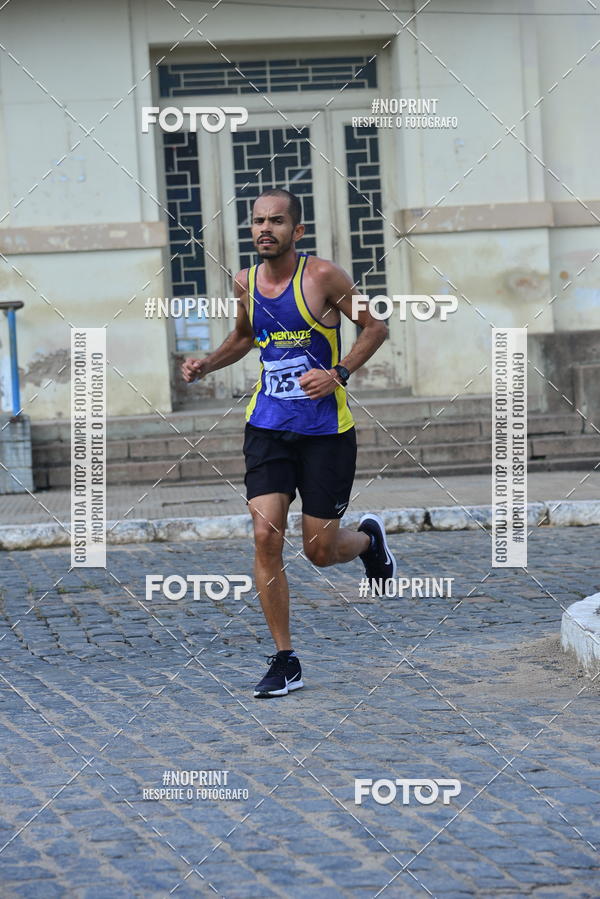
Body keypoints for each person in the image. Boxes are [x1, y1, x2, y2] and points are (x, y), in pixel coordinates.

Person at [182, 187, 396, 698]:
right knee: (264, 536)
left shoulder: (324, 278)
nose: (265, 229)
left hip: (325, 434)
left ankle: (368, 540)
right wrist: (206, 363)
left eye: (276, 221)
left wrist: (339, 372)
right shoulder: (245, 282)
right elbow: (244, 337)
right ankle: (286, 659)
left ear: (296, 231)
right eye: (258, 221)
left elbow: (375, 326)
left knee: (320, 550)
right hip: (268, 427)